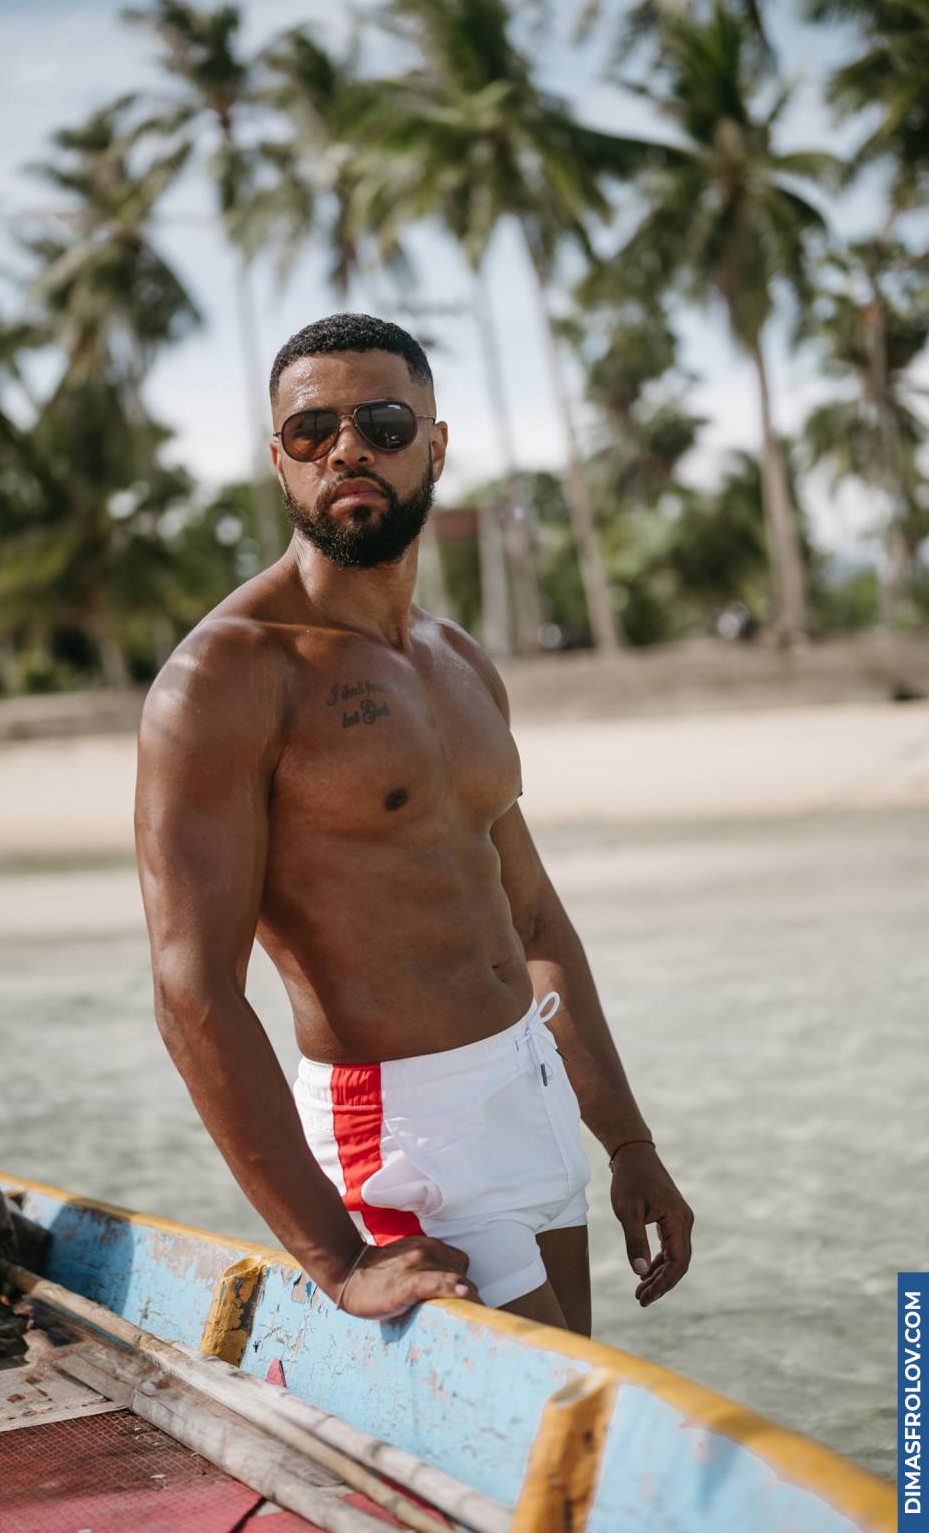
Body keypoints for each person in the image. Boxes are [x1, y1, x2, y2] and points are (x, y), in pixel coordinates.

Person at [135, 313, 693, 1329]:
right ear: (280, 461)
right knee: (544, 1404)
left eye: (382, 424)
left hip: (524, 1088)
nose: (346, 449)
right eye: (312, 431)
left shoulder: (457, 659)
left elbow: (531, 921)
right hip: (400, 1126)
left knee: (572, 1396)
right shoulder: (227, 677)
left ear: (433, 447)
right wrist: (340, 1260)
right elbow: (192, 994)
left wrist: (625, 1139)